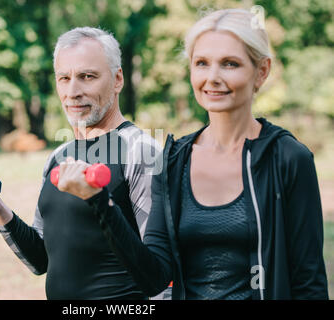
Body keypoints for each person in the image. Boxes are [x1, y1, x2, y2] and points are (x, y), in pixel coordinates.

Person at [59, 9, 329, 299]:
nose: (212, 77)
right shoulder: (174, 161)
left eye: (230, 64)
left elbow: (308, 282)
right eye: (202, 63)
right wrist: (100, 200)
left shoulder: (287, 158)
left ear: (261, 71)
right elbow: (154, 278)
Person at [0, 27, 164, 299]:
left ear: (117, 79)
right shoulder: (58, 157)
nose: (72, 91)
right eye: (64, 78)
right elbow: (40, 260)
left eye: (87, 77)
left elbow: (161, 276)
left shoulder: (140, 152)